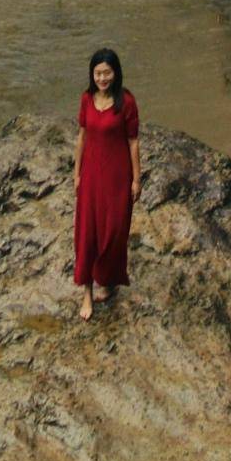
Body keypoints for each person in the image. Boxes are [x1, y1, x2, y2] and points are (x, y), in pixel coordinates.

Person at [73, 43, 139, 315]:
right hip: (90, 175)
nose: (102, 78)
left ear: (116, 73)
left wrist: (136, 179)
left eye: (107, 73)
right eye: (98, 73)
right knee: (88, 233)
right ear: (92, 75)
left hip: (117, 176)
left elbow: (133, 141)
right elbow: (82, 137)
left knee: (115, 232)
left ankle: (109, 280)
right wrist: (76, 173)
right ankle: (86, 292)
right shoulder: (86, 100)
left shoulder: (127, 102)